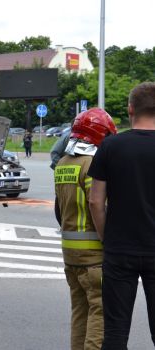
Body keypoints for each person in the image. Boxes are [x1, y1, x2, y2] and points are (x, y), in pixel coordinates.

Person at [88, 82, 155, 349]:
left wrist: (108, 238)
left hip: (119, 251)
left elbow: (95, 201)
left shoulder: (110, 146)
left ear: (130, 109)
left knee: (115, 332)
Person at [54, 108, 117, 350]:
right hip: (94, 256)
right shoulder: (92, 163)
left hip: (70, 254)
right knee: (99, 313)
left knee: (79, 312)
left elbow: (59, 211)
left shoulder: (62, 163)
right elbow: (97, 203)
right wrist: (109, 241)